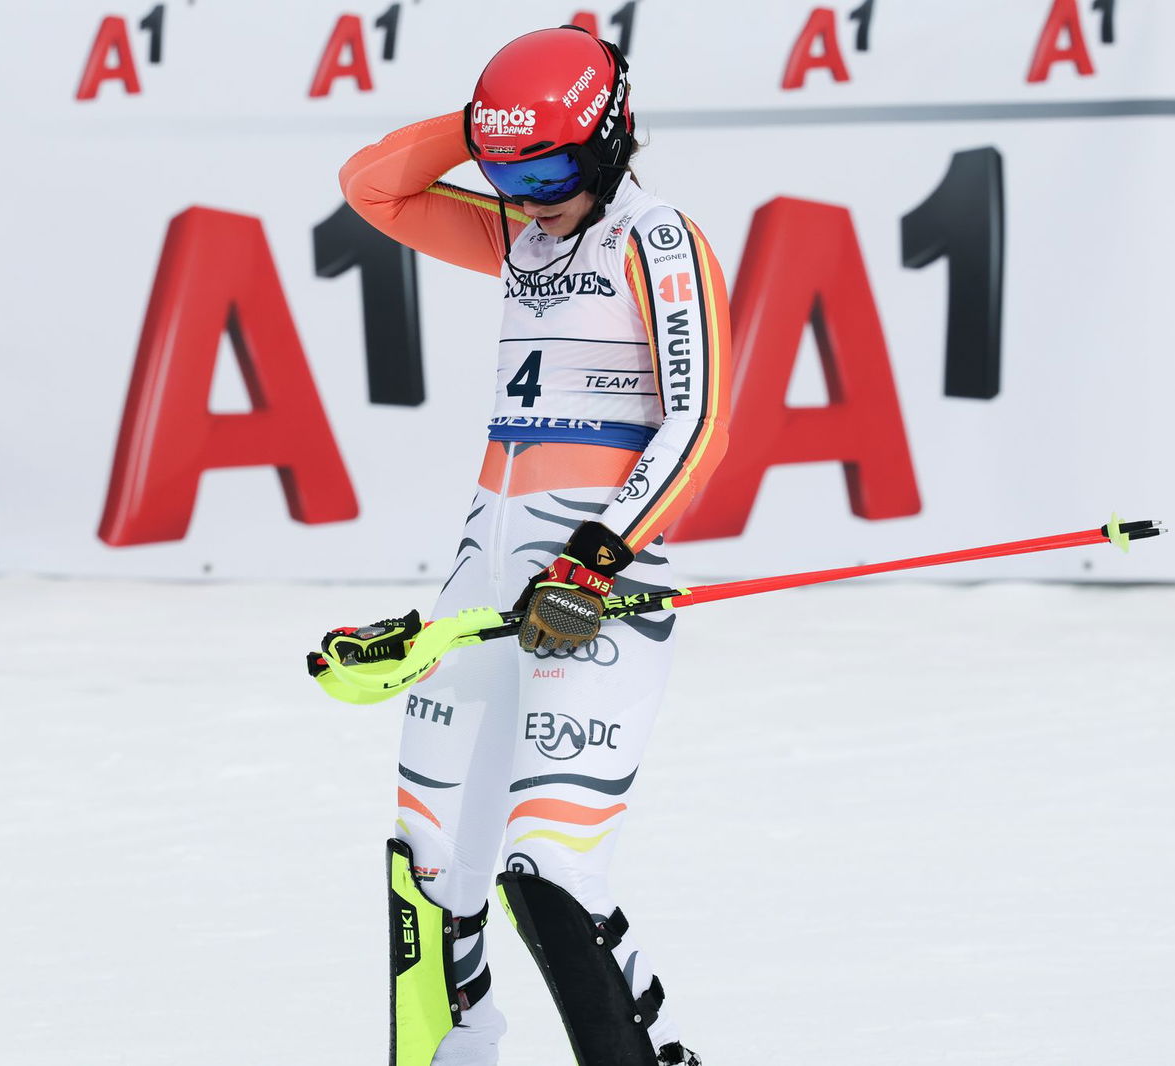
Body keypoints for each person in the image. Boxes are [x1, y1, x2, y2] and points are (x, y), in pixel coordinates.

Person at [339, 25, 730, 1066]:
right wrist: (487, 128)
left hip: (590, 583)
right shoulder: (521, 234)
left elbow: (698, 421)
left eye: (551, 168)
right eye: (504, 173)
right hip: (480, 577)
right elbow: (373, 186)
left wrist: (599, 559)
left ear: (610, 143)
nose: (530, 193)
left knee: (545, 868)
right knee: (423, 862)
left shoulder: (656, 238)